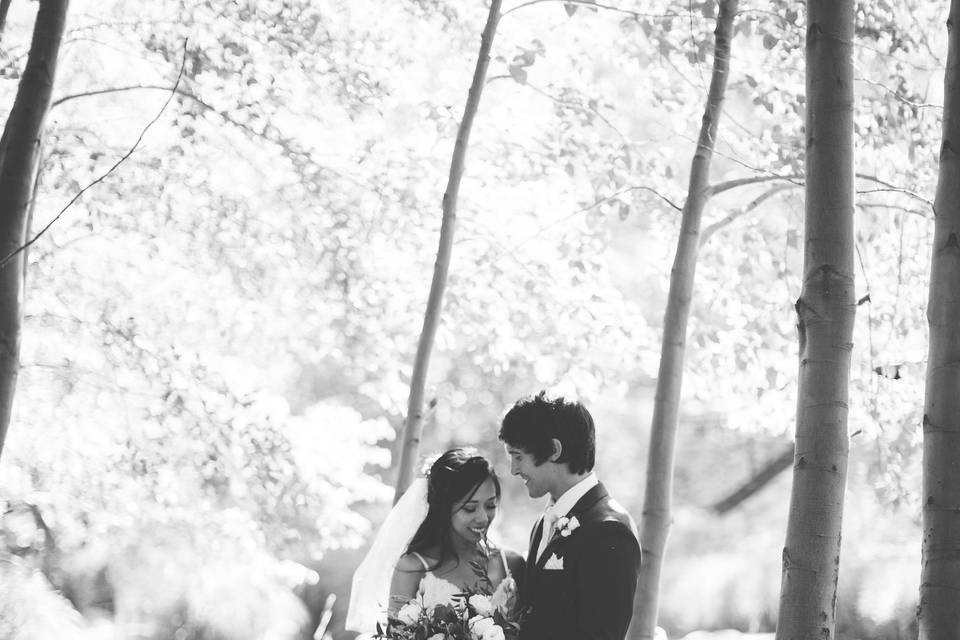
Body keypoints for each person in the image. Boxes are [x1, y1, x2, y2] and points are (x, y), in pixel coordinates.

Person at [499, 391, 641, 640]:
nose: (513, 469)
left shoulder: (610, 531)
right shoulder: (544, 522)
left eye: (518, 456)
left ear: (554, 450)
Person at [345, 447, 524, 635]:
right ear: (444, 508)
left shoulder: (512, 563)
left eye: (490, 505)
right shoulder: (412, 568)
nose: (483, 518)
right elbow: (397, 636)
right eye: (470, 508)